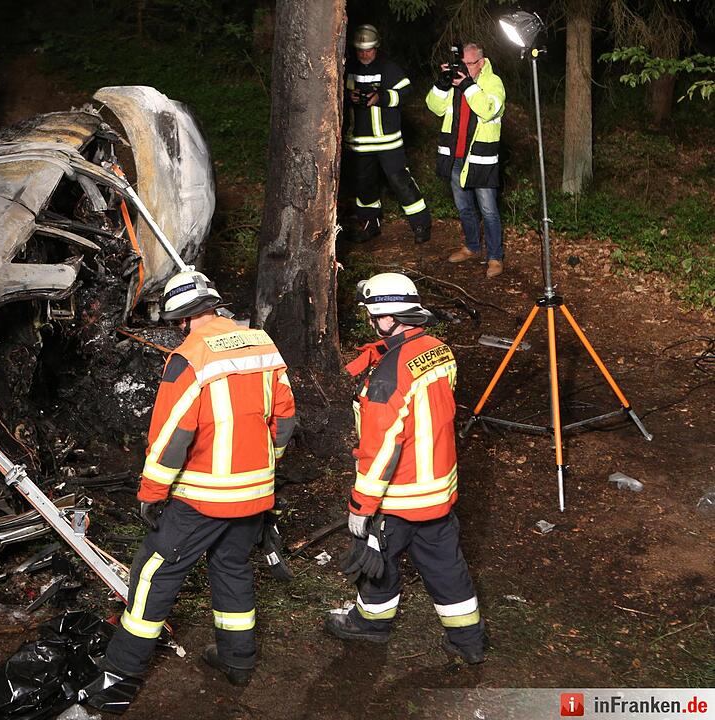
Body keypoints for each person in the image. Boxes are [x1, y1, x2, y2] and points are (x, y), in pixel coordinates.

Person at [85, 270, 297, 713]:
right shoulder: (262, 343)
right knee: (232, 567)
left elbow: (171, 438)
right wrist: (267, 465)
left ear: (180, 320)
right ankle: (238, 661)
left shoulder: (188, 357)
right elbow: (286, 420)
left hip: (204, 497)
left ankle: (117, 681)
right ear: (213, 305)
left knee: (152, 574)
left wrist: (151, 494)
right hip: (255, 493)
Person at [324, 272, 487, 665]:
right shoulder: (439, 349)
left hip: (397, 496)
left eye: (372, 316)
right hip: (439, 489)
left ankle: (371, 624)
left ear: (387, 318)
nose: (370, 323)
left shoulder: (386, 378)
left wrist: (361, 509)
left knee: (373, 561)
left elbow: (382, 450)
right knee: (446, 566)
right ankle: (469, 642)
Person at [342, 24, 432, 245]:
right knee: (364, 186)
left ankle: (421, 224)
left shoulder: (388, 67)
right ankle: (369, 224)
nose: (364, 54)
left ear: (377, 47)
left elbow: (406, 92)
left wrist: (380, 98)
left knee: (401, 182)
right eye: (360, 50)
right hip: (360, 143)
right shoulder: (348, 67)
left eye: (369, 49)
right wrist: (348, 97)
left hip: (389, 141)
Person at [426, 43, 507, 278]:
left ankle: (495, 257)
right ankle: (472, 247)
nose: (463, 68)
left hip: (481, 158)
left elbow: (488, 109)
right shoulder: (454, 82)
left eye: (468, 64)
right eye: (460, 62)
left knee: (489, 210)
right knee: (464, 207)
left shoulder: (493, 83)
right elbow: (434, 107)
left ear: (481, 63)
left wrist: (468, 86)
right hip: (456, 156)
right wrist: (442, 83)